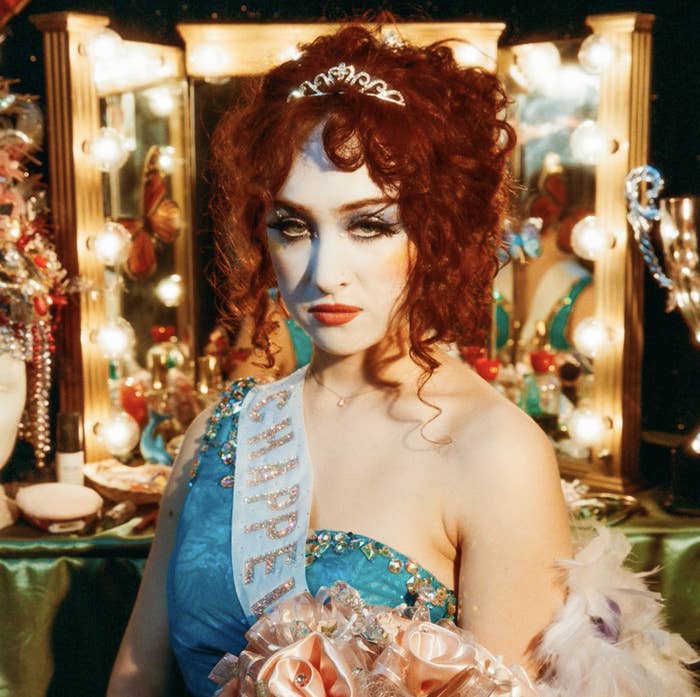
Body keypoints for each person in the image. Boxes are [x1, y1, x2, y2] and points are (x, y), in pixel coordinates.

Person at [107, 24, 697, 697]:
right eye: (293, 226)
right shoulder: (223, 427)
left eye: (370, 224)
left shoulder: (494, 451)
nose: (325, 273)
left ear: (440, 229)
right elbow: (135, 674)